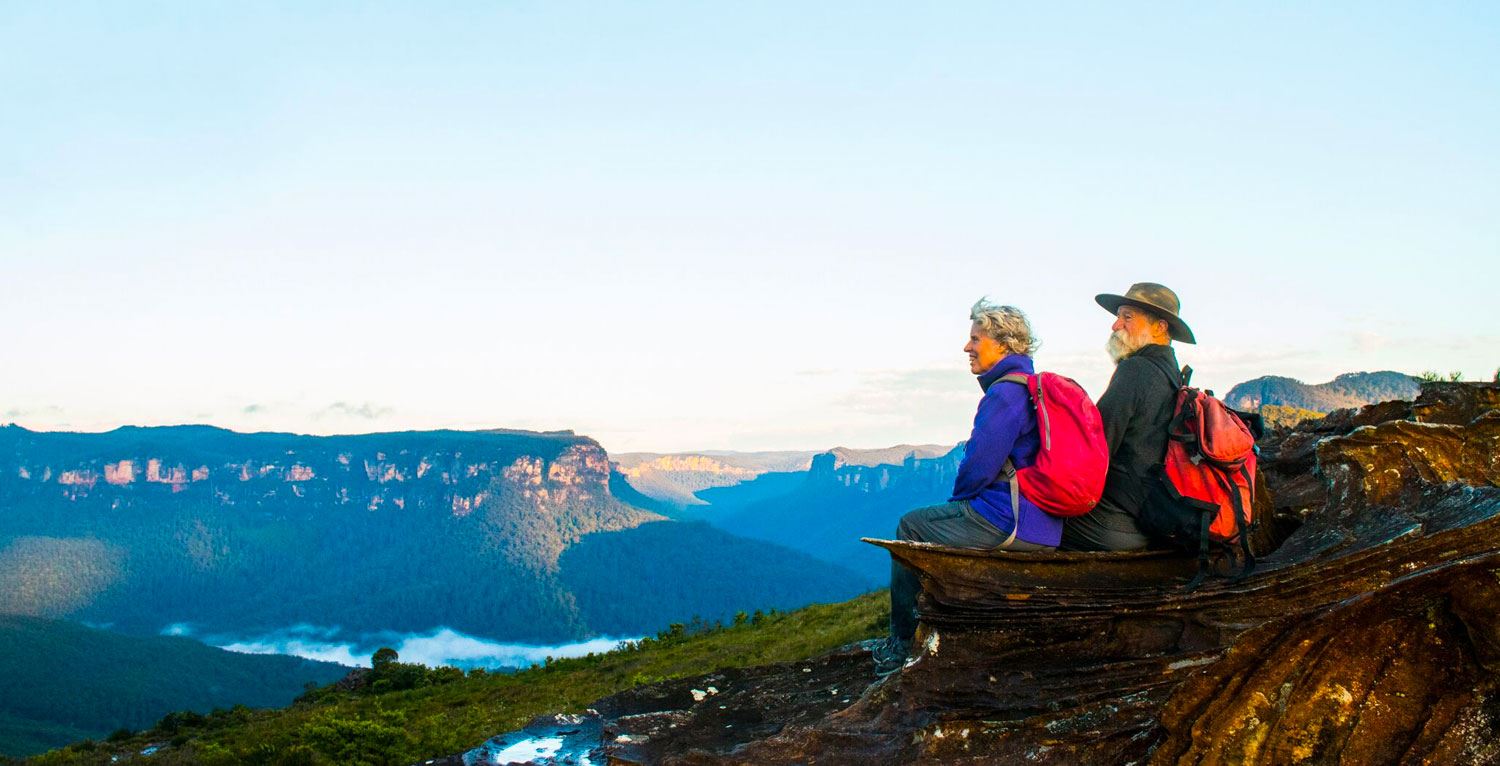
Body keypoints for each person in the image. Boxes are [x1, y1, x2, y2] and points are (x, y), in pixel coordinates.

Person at [872, 299, 1059, 674]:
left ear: (1003, 344)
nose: (967, 347)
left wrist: (955, 508)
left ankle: (900, 644)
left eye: (976, 338)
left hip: (1009, 520)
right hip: (1041, 521)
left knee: (911, 526)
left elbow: (978, 467)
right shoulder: (1030, 386)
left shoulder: (1005, 394)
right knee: (928, 522)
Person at [1060, 282, 1195, 552]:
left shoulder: (1136, 370)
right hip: (1146, 515)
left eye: (1128, 317)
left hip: (1113, 521)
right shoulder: (1171, 375)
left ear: (1160, 327)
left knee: (1024, 520)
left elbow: (1096, 445)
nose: (1116, 325)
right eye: (1118, 316)